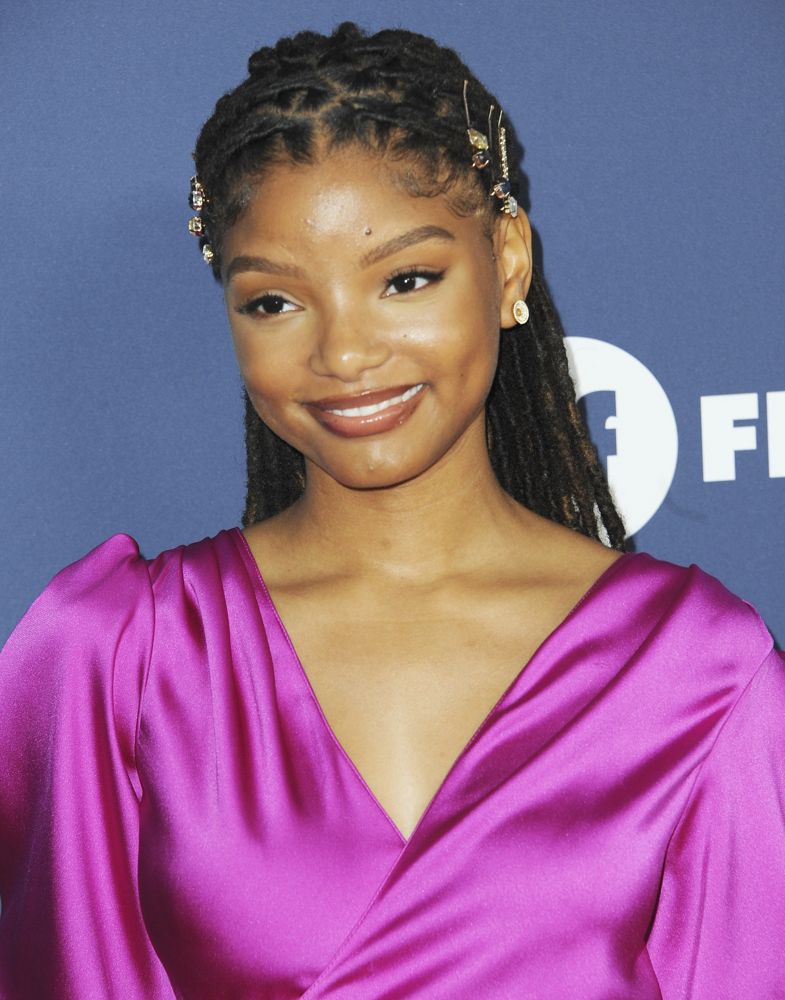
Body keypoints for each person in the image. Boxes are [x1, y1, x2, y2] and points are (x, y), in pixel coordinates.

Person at [0, 21, 783, 1000]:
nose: (343, 353)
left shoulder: (696, 671)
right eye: (274, 302)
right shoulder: (119, 655)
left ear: (506, 264)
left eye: (405, 280)